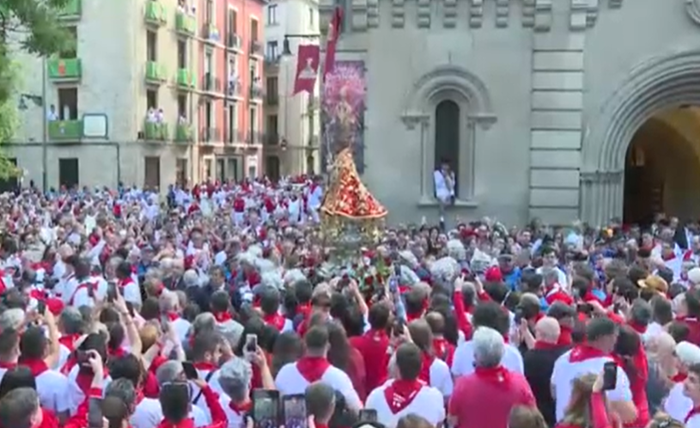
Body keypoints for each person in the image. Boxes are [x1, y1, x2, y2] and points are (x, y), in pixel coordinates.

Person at [448, 327, 535, 428]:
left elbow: (452, 420)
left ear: (476, 356)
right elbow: (533, 417)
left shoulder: (463, 386)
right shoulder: (520, 383)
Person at [365, 343, 444, 427]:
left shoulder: (375, 397)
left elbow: (365, 425)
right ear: (421, 367)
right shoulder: (435, 397)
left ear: (396, 367)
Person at [523, 317, 568, 426]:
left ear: (539, 334)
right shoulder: (565, 356)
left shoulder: (529, 358)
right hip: (558, 414)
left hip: (536, 414)